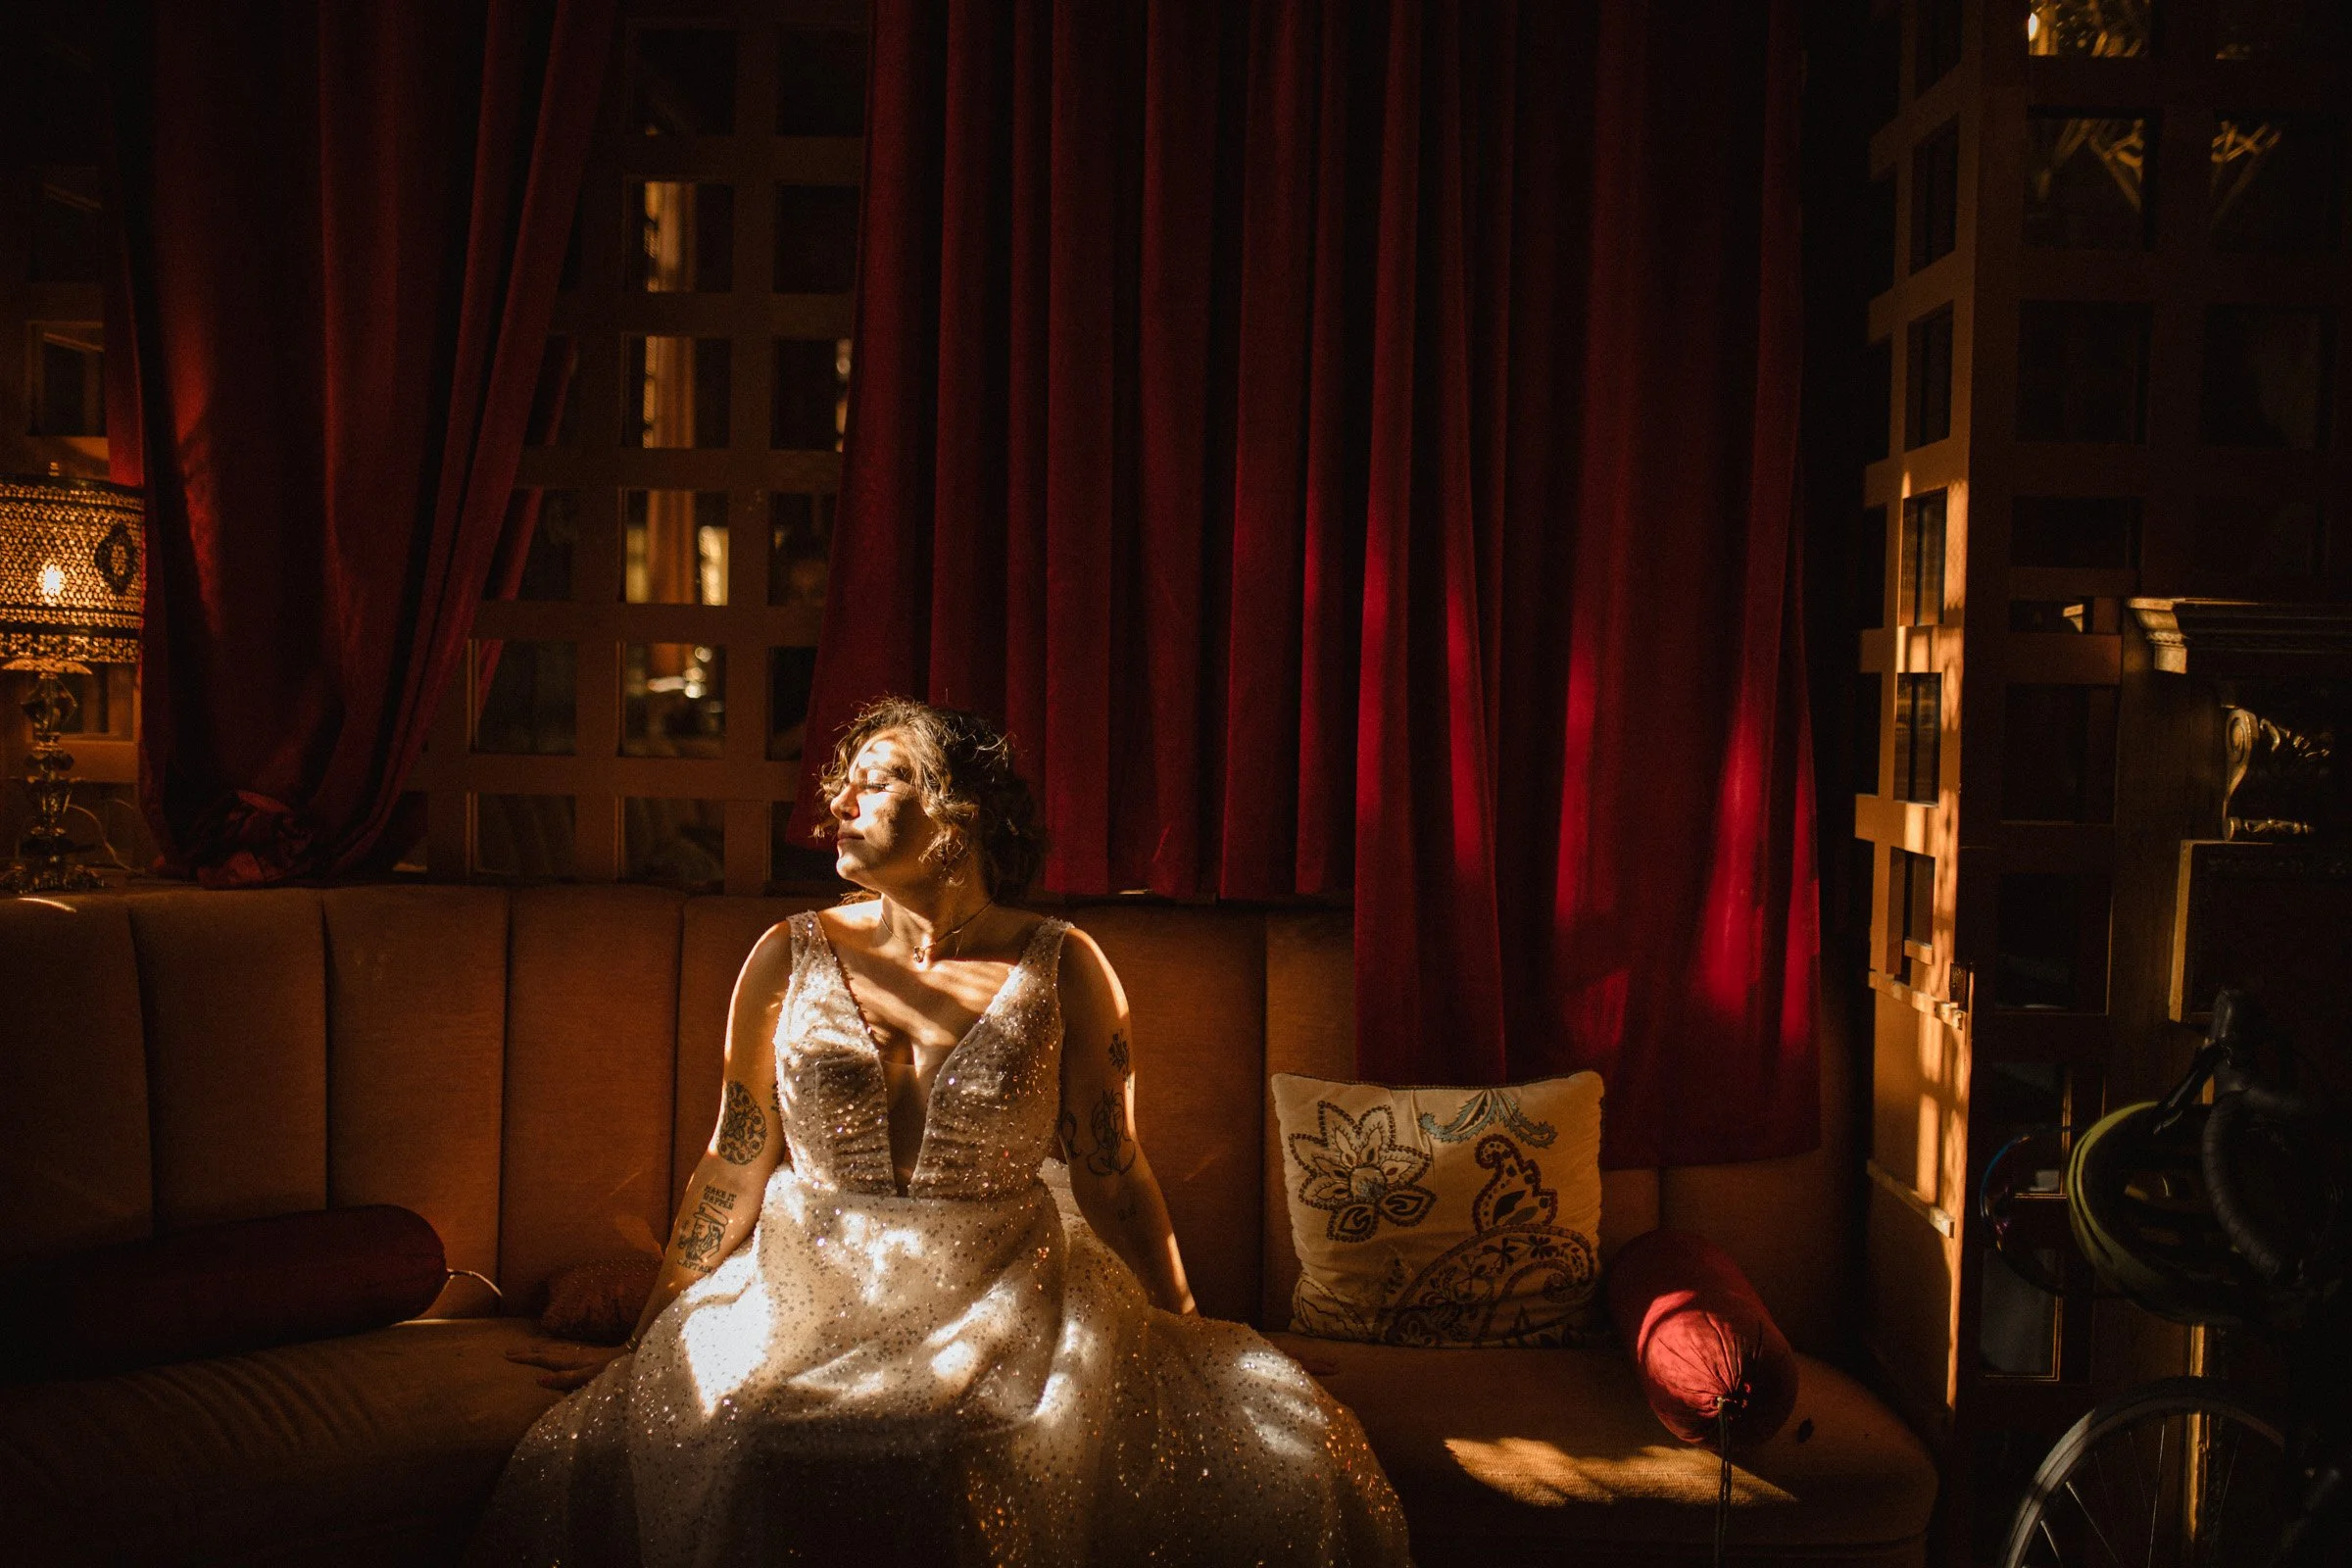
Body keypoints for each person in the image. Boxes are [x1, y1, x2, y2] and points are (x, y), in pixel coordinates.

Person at [470, 697, 1411, 1566]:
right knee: (751, 1429)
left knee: (976, 1445)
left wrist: (1194, 1336)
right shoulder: (785, 953)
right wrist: (647, 1337)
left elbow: (1114, 1173)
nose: (837, 800)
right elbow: (734, 1156)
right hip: (811, 1281)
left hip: (1000, 1287)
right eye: (843, 782)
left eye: (877, 780)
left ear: (959, 817)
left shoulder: (1066, 966)